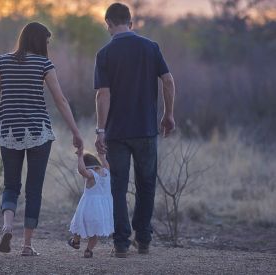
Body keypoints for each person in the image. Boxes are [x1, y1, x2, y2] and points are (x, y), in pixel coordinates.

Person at [0, 22, 83, 256]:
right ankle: (27, 245)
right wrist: (76, 132)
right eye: (47, 42)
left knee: (11, 185)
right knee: (34, 189)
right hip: (39, 132)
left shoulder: (2, 62)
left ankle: (8, 226)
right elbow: (60, 101)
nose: (48, 46)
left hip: (8, 131)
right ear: (39, 41)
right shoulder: (44, 64)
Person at [93, 3, 176, 258]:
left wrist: (100, 130)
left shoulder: (105, 53)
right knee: (146, 184)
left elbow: (102, 95)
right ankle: (143, 239)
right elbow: (168, 80)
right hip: (146, 129)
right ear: (130, 22)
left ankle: (120, 244)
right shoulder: (150, 48)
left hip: (117, 132)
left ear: (108, 23)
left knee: (117, 186)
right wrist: (168, 114)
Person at [67, 151, 114, 258]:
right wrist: (101, 155)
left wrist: (79, 157)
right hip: (102, 210)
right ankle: (88, 250)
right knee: (95, 232)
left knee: (79, 223)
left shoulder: (91, 175)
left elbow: (81, 170)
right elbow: (105, 162)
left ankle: (76, 241)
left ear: (88, 166)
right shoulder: (106, 171)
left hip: (89, 207)